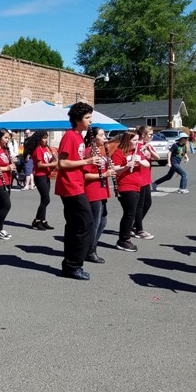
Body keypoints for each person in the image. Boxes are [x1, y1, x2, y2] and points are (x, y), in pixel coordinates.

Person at [55, 103, 100, 280]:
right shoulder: (70, 136)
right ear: (77, 119)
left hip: (77, 185)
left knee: (76, 226)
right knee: (84, 225)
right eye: (88, 118)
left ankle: (71, 265)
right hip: (70, 187)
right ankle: (74, 265)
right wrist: (87, 161)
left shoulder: (79, 138)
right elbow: (62, 163)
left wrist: (88, 161)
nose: (91, 121)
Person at [111, 131, 148, 253]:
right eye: (134, 140)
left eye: (137, 140)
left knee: (134, 212)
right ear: (127, 141)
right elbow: (115, 169)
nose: (137, 143)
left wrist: (140, 161)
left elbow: (147, 164)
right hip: (125, 186)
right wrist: (127, 166)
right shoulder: (119, 152)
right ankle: (123, 239)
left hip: (137, 186)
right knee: (129, 213)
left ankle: (125, 237)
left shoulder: (136, 152)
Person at [83, 127, 114, 264]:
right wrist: (104, 174)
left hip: (102, 190)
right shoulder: (89, 152)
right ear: (93, 138)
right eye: (101, 135)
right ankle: (90, 250)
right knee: (95, 223)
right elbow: (85, 175)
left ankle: (91, 247)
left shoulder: (100, 152)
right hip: (93, 190)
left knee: (103, 221)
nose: (104, 137)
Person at [132, 125, 159, 240]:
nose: (151, 137)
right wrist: (141, 149)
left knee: (148, 203)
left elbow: (157, 157)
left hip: (147, 178)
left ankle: (134, 226)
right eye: (150, 135)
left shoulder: (148, 146)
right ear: (143, 135)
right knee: (140, 205)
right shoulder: (136, 145)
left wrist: (149, 149)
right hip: (139, 178)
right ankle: (139, 229)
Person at [26, 131, 57, 229]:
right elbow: (39, 165)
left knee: (44, 199)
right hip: (40, 176)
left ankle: (43, 220)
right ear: (39, 139)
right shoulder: (37, 149)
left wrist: (53, 159)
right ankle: (37, 220)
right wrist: (52, 164)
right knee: (46, 199)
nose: (45, 140)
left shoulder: (45, 149)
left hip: (46, 175)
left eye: (46, 138)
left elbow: (46, 161)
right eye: (44, 138)